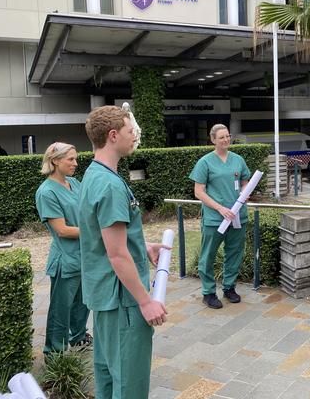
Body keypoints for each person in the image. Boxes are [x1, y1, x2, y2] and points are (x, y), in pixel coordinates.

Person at [79, 106, 168, 399]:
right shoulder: (109, 184)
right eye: (131, 132)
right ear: (113, 135)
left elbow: (103, 237)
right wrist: (146, 302)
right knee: (129, 383)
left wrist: (142, 246)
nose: (134, 137)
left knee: (107, 375)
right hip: (123, 302)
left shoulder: (93, 175)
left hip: (105, 296)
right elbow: (116, 255)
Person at [35, 142, 91, 355]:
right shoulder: (46, 192)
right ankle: (54, 352)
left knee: (83, 302)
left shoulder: (74, 183)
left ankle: (78, 337)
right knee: (61, 309)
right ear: (55, 160)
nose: (75, 163)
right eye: (70, 159)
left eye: (75, 158)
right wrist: (95, 232)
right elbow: (61, 230)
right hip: (66, 259)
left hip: (84, 256)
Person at [190, 124, 251, 309]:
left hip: (237, 217)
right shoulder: (205, 162)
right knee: (207, 256)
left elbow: (245, 182)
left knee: (234, 253)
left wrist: (245, 192)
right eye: (222, 137)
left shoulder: (238, 160)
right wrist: (219, 208)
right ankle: (208, 293)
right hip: (215, 219)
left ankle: (229, 288)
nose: (226, 140)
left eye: (228, 136)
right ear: (213, 139)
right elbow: (198, 192)